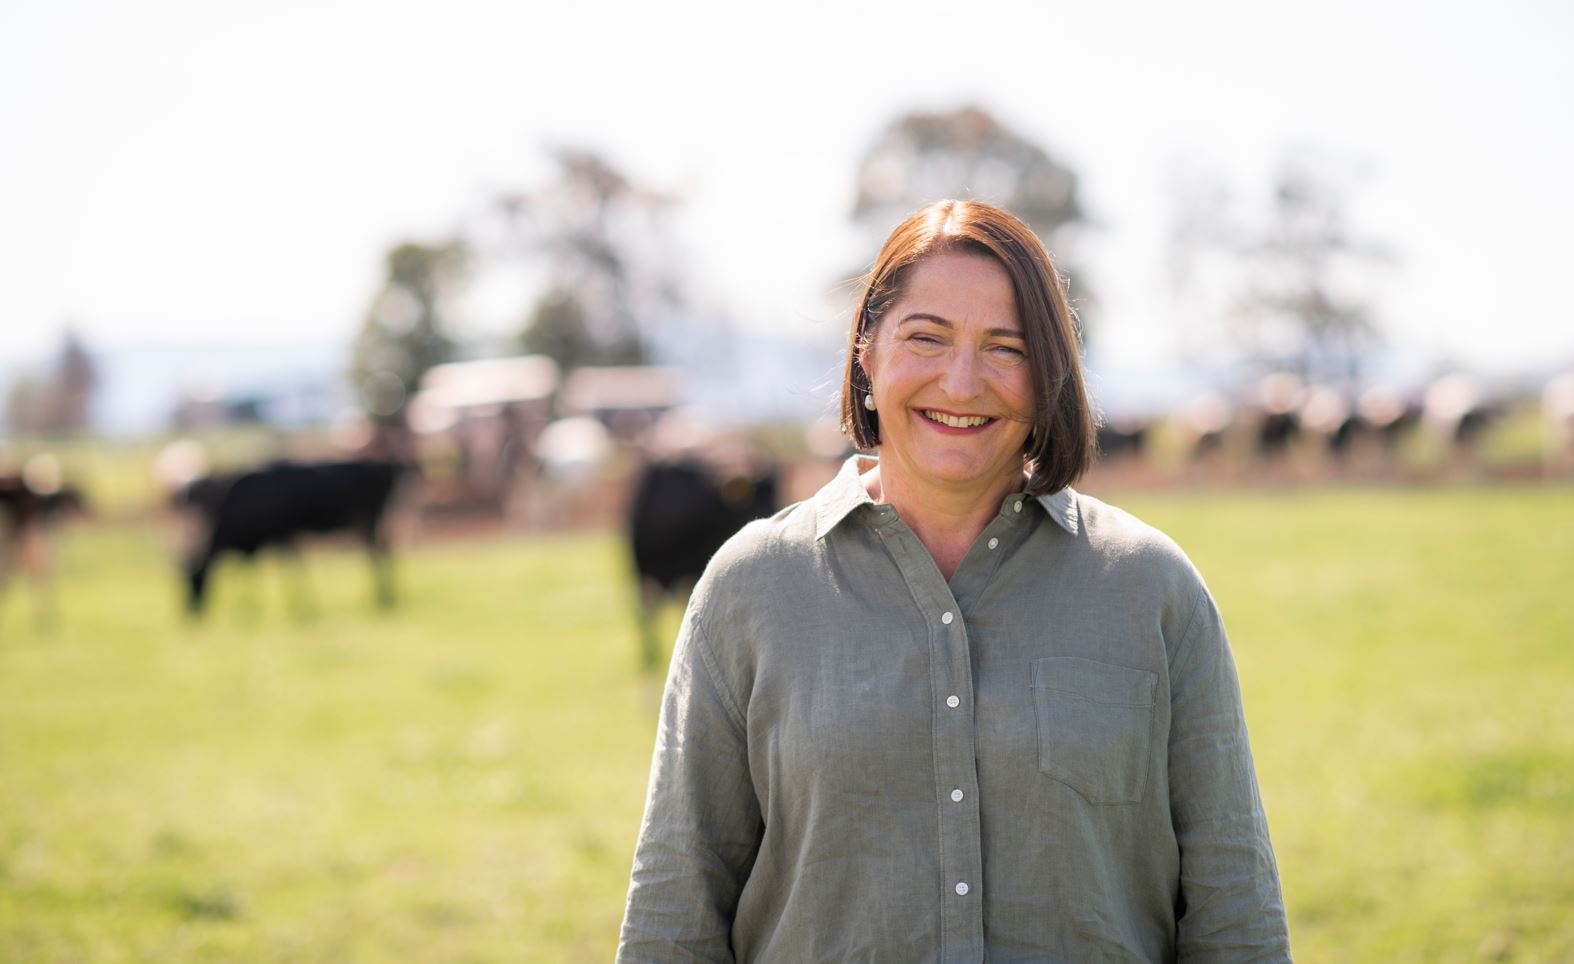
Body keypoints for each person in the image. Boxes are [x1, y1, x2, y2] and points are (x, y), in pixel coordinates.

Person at [617, 200, 1291, 961]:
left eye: (1006, 348)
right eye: (926, 338)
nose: (962, 382)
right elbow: (675, 912)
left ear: (1049, 377)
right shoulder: (751, 589)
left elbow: (1235, 911)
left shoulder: (1153, 589)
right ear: (867, 355)